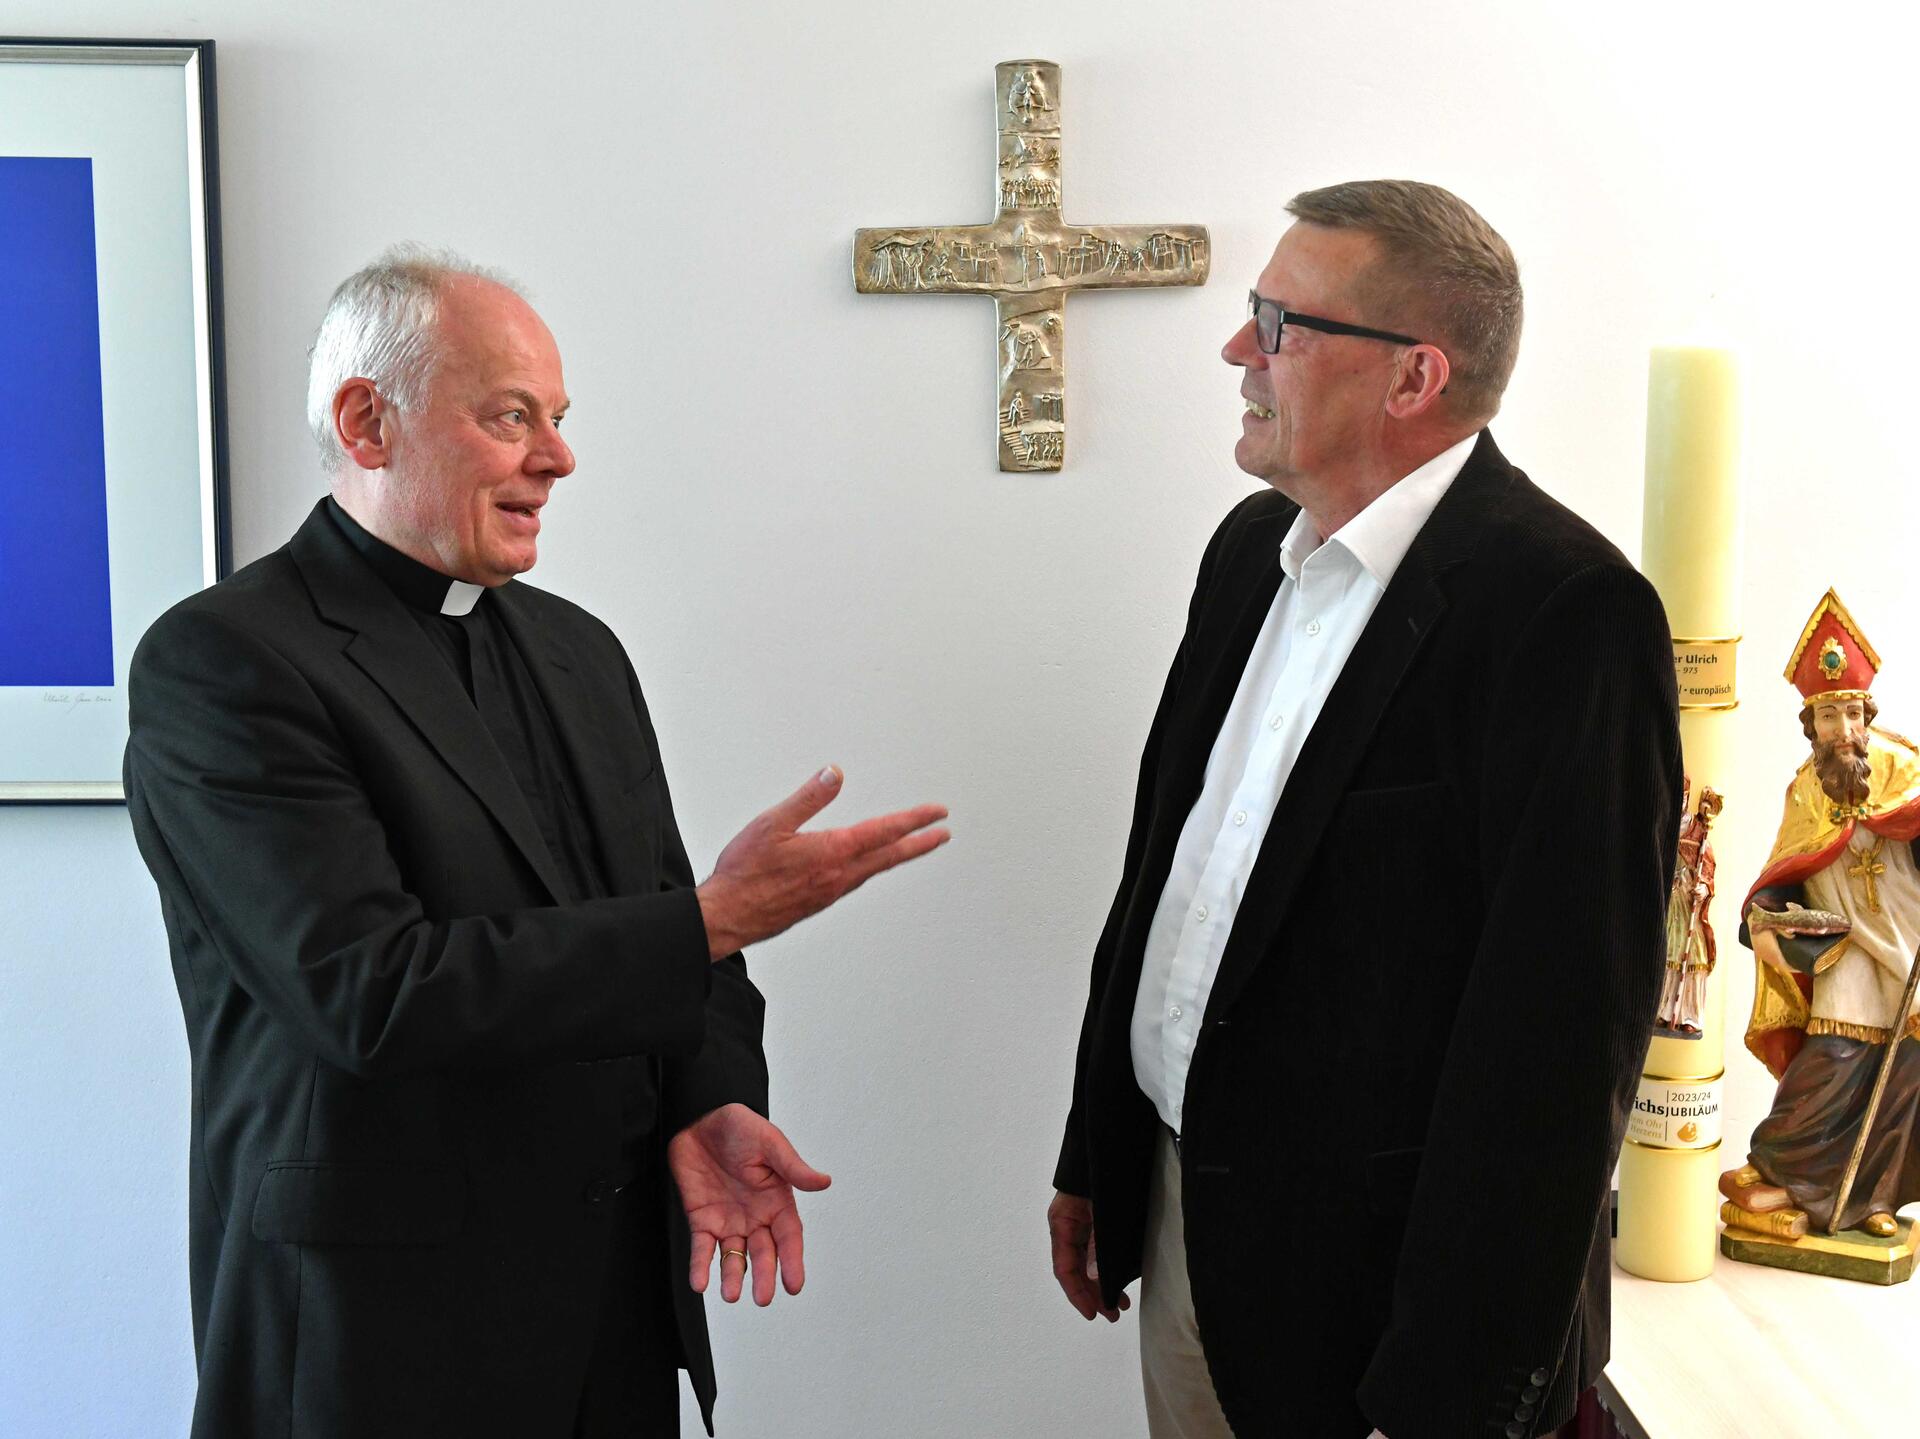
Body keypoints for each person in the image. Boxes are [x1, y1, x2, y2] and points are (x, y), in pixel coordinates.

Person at [124, 247, 949, 1439]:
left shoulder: (579, 650)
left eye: (558, 418)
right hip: (380, 1333)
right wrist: (717, 915)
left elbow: (677, 940)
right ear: (367, 422)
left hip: (611, 1313)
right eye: (511, 416)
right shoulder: (227, 660)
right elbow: (369, 993)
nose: (558, 458)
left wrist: (709, 1096)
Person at [1048, 181, 1680, 1439]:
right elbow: (1166, 877)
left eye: (1281, 324)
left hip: (1380, 1307)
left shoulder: (1566, 612)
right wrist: (1098, 1148)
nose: (1239, 349)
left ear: (1413, 376)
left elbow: (1561, 1053)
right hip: (1179, 1214)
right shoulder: (1248, 552)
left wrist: (1450, 1394)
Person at [1721, 590, 1920, 1239]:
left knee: (1904, 1083)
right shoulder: (1807, 789)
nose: (1843, 729)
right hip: (1847, 950)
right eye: (1828, 715)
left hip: (1910, 947)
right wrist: (1763, 922)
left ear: (1867, 713)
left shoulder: (1905, 771)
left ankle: (1874, 1200)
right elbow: (1783, 873)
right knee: (1830, 1064)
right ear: (1811, 724)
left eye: (1851, 713)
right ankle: (1776, 1166)